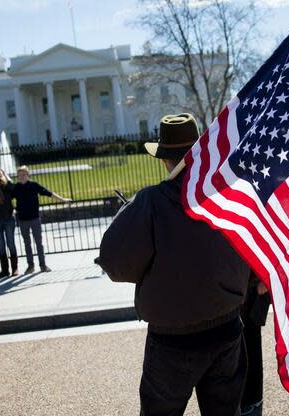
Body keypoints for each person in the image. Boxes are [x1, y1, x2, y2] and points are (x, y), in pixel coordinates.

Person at [97, 113, 252, 416]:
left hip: (173, 339)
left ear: (164, 160)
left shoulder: (151, 202)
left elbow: (115, 263)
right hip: (227, 325)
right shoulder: (226, 193)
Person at [13, 165, 71, 273]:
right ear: (17, 176)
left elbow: (48, 193)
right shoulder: (16, 187)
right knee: (27, 243)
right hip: (22, 220)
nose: (21, 177)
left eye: (23, 174)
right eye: (19, 175)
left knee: (39, 243)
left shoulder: (34, 185)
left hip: (35, 218)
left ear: (27, 175)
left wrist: (62, 199)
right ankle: (30, 266)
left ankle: (43, 265)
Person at [240, 279, 270, 416]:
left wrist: (265, 279)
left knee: (250, 346)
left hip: (252, 287)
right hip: (232, 285)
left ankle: (251, 405)